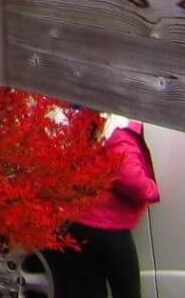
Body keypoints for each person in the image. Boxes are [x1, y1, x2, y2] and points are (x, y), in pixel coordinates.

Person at [44, 112, 159, 298]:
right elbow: (130, 178)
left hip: (77, 220)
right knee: (126, 289)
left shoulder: (86, 122)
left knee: (89, 288)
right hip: (110, 229)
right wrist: (151, 189)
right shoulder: (121, 134)